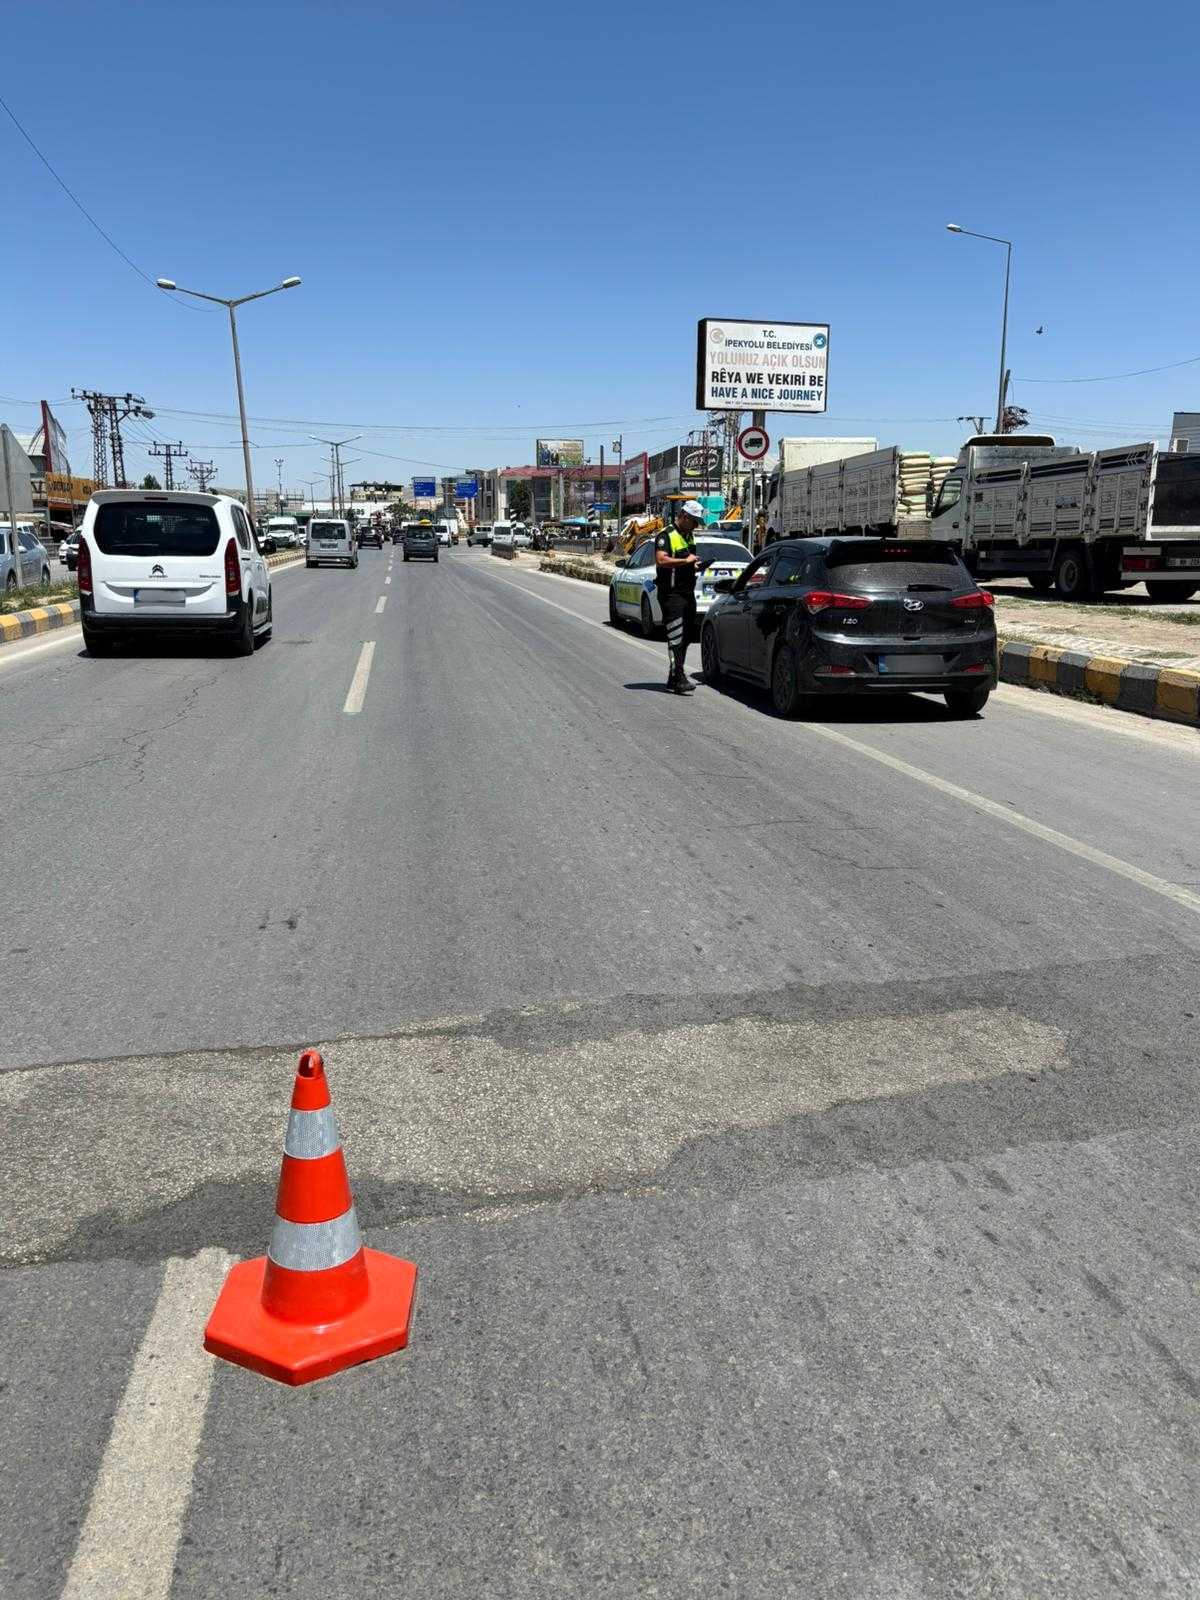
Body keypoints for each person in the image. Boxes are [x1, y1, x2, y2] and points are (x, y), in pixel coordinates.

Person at [654, 499, 704, 694]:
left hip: (687, 593)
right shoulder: (666, 535)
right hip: (671, 595)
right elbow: (660, 560)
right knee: (676, 636)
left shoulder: (688, 536)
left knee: (688, 635)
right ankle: (679, 677)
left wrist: (694, 565)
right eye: (694, 521)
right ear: (685, 516)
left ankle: (673, 675)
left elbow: (686, 562)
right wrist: (685, 561)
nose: (696, 525)